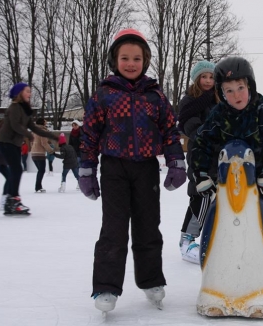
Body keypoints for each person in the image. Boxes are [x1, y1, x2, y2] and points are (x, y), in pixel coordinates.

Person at [78, 28, 186, 313]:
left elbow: (170, 132)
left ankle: (151, 281)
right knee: (113, 230)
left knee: (148, 227)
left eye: (136, 58)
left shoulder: (156, 96)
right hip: (114, 168)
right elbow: (89, 134)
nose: (130, 63)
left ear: (145, 61)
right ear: (115, 60)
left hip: (146, 169)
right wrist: (87, 169)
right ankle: (105, 286)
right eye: (125, 57)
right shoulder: (104, 95)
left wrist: (176, 162)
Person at [190, 56, 263, 304]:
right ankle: (225, 275)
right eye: (229, 90)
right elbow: (202, 143)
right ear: (221, 92)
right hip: (231, 186)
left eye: (240, 88)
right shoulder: (218, 115)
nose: (236, 95)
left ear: (250, 86)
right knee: (226, 227)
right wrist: (201, 174)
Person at [177, 60, 219, 264]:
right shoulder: (190, 101)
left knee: (217, 199)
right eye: (204, 77)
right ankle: (187, 240)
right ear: (197, 79)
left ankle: (212, 239)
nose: (208, 81)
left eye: (211, 77)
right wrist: (208, 134)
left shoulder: (219, 99)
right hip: (199, 155)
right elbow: (188, 125)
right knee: (201, 196)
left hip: (218, 157)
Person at [0, 82, 58, 215]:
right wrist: (29, 135)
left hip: (14, 144)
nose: (30, 94)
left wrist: (53, 136)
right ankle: (13, 200)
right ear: (19, 93)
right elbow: (15, 125)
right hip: (5, 142)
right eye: (27, 91)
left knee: (16, 170)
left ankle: (11, 201)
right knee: (17, 169)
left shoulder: (25, 110)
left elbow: (35, 128)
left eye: (30, 91)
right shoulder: (14, 107)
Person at [30, 118, 55, 193]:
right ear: (42, 123)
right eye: (45, 121)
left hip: (33, 153)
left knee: (40, 171)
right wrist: (51, 150)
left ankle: (38, 186)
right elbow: (44, 143)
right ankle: (38, 187)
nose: (46, 122)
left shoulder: (34, 131)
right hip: (40, 153)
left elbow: (31, 142)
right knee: (41, 170)